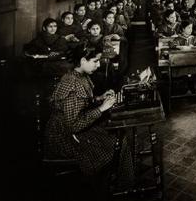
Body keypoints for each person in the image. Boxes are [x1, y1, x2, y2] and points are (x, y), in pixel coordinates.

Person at [44, 44, 134, 191]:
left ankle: (120, 179)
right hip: (64, 136)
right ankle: (121, 185)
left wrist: (100, 98)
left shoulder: (79, 75)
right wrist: (102, 108)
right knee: (118, 141)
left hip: (71, 129)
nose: (98, 65)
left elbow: (83, 102)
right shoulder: (72, 84)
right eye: (95, 61)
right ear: (83, 60)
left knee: (118, 134)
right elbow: (74, 124)